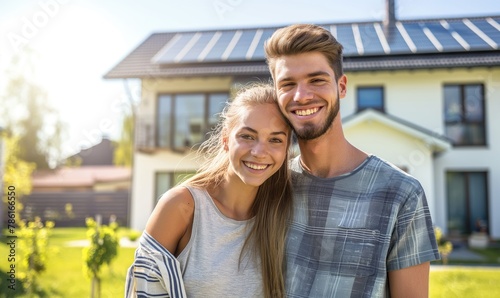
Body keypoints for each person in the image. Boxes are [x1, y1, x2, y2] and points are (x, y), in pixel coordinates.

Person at [264, 24, 440, 297]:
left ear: (341, 86)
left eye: (317, 80)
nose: (302, 95)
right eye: (287, 84)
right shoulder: (270, 185)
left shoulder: (401, 193)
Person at [125, 83, 293, 298]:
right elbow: (143, 292)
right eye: (247, 136)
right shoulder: (182, 207)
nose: (260, 152)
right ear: (225, 139)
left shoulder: (285, 210)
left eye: (275, 140)